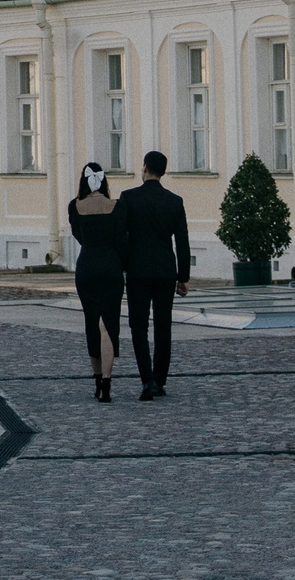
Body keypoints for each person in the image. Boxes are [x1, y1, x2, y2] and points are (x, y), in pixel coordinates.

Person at [112, 148, 191, 400]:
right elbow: (182, 241)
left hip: (137, 270)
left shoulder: (128, 198)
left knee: (138, 326)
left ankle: (147, 380)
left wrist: (124, 264)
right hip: (166, 270)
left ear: (144, 168)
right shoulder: (174, 201)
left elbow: (120, 237)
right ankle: (160, 379)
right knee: (163, 325)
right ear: (163, 171)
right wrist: (183, 276)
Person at [66, 162, 123, 402]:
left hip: (87, 266)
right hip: (111, 266)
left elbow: (78, 235)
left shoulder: (75, 206)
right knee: (108, 324)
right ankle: (107, 382)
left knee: (91, 321)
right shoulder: (116, 206)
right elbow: (121, 237)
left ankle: (97, 380)